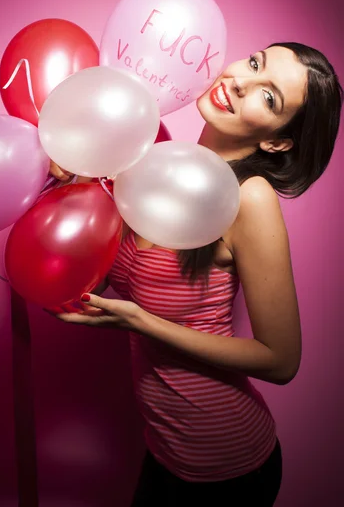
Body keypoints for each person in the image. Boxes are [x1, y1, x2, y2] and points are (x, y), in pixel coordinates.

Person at [46, 42, 343, 506]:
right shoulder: (152, 165)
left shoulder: (251, 199)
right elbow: (95, 286)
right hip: (164, 448)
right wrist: (77, 179)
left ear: (278, 141)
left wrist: (142, 322)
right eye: (255, 62)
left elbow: (282, 361)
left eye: (268, 98)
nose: (240, 82)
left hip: (228, 464)